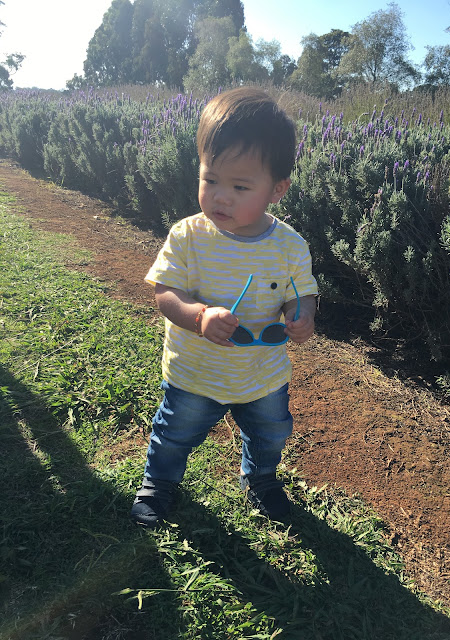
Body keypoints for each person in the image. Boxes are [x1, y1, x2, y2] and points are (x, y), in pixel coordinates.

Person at [131, 87, 318, 528]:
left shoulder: (290, 246)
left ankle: (261, 478)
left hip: (262, 374)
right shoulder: (188, 236)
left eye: (239, 186)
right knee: (175, 434)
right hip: (196, 372)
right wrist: (199, 317)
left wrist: (302, 314)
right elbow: (165, 292)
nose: (220, 196)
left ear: (277, 189)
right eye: (210, 179)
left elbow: (300, 292)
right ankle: (159, 483)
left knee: (271, 433)